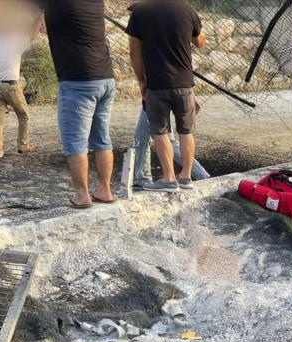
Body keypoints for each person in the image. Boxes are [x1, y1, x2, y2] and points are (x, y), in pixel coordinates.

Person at [34, 0, 116, 208]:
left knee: (75, 142)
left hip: (78, 80)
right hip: (105, 77)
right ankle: (105, 190)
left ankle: (82, 194)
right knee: (102, 138)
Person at [126, 0, 206, 193]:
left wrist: (141, 80)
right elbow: (200, 42)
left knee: (160, 132)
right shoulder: (187, 9)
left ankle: (169, 178)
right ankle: (186, 176)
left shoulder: (140, 12)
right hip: (185, 83)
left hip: (157, 83)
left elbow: (134, 51)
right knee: (185, 131)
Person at [0, 15, 42, 162]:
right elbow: (32, 35)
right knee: (24, 115)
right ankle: (23, 145)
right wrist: (39, 18)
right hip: (11, 86)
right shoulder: (15, 42)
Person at [131, 103, 210, 189]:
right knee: (142, 138)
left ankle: (202, 175)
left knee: (163, 141)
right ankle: (143, 179)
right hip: (153, 96)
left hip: (155, 96)